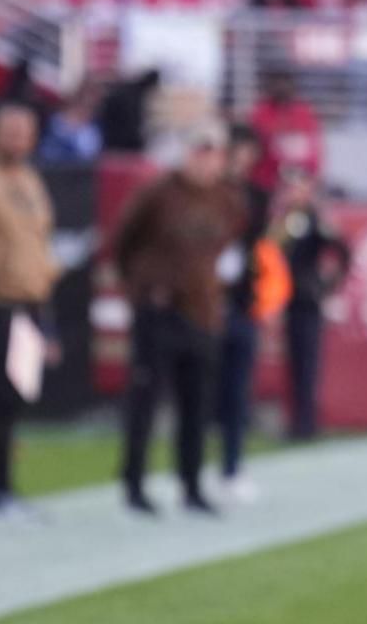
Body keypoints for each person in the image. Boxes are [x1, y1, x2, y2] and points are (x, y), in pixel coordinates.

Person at [112, 124, 245, 515]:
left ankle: (191, 485)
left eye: (213, 153)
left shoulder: (228, 200)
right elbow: (123, 242)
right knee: (146, 400)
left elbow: (224, 248)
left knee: (197, 404)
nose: (205, 161)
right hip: (159, 311)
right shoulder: (157, 193)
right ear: (186, 155)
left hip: (202, 313)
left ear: (222, 158)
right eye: (198, 152)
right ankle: (134, 484)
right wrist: (143, 289)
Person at [0, 101, 60, 518]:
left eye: (25, 131)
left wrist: (47, 318)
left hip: (30, 299)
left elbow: (39, 246)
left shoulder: (29, 179)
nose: (18, 138)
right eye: (10, 130)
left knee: (17, 395)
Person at [217, 125, 278, 504]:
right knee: (197, 391)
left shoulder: (257, 196)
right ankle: (188, 472)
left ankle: (232, 466)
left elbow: (261, 252)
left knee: (238, 392)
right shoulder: (204, 195)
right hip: (202, 304)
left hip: (241, 304)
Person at [273, 169, 351, 440]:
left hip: (308, 300)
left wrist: (327, 285)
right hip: (288, 299)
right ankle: (295, 421)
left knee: (307, 363)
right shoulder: (284, 221)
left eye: (300, 187)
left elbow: (342, 250)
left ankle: (307, 424)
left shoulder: (316, 220)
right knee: (293, 362)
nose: (295, 193)